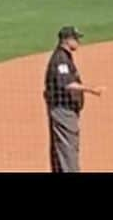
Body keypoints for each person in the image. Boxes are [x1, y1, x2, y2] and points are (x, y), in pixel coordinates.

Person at [44, 26, 104, 172]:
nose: (78, 42)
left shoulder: (65, 57)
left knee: (65, 148)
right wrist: (91, 89)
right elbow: (67, 84)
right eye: (76, 39)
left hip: (66, 111)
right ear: (67, 40)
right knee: (67, 149)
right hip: (63, 111)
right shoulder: (60, 59)